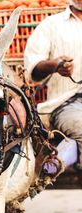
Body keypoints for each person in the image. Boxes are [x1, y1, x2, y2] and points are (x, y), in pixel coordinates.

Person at [24, 0, 82, 183]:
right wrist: (55, 65)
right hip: (65, 103)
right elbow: (32, 70)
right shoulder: (52, 25)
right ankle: (56, 164)